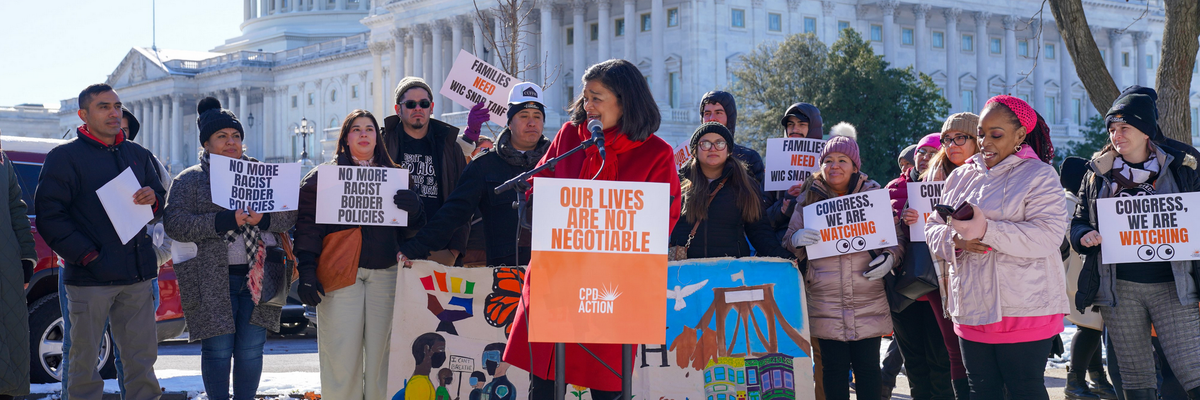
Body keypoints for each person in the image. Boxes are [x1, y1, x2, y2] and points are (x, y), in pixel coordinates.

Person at [503, 58, 682, 399]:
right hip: (559, 280)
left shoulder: (657, 152)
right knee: (544, 387)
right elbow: (539, 182)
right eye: (585, 97)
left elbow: (666, 216)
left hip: (613, 292)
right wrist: (536, 197)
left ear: (624, 100)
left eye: (596, 97)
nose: (588, 106)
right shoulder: (571, 136)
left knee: (607, 387)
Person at [925, 95, 1069, 400]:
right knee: (981, 392)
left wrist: (987, 230)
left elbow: (1048, 235)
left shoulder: (1040, 175)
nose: (985, 141)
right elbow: (932, 227)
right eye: (981, 133)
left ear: (1020, 135)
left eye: (996, 134)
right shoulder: (961, 176)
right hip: (971, 306)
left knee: (1024, 390)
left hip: (1024, 307)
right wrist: (957, 241)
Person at [35, 83, 165, 400]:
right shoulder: (64, 157)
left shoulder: (139, 155)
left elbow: (159, 200)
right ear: (84, 115)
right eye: (104, 106)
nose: (114, 113)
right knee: (82, 363)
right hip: (89, 278)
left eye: (117, 106)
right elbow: (50, 216)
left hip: (137, 276)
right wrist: (89, 256)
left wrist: (155, 199)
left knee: (141, 363)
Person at [162, 97, 298, 400]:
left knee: (251, 349)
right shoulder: (190, 179)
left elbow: (289, 216)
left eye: (235, 136)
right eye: (221, 137)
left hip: (262, 276)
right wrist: (224, 220)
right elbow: (175, 223)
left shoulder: (262, 173)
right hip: (210, 277)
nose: (230, 142)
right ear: (207, 144)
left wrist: (263, 219)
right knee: (217, 350)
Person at [1070, 86, 1200, 400]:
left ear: (1145, 131)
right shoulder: (1097, 172)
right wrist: (1083, 236)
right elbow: (1078, 220)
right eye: (1112, 129)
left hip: (1174, 286)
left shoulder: (1183, 167)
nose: (1116, 135)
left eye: (1125, 127)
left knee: (1192, 369)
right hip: (1119, 289)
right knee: (1134, 376)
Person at [295, 109, 425, 400]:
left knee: (384, 358)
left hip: (386, 274)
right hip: (341, 275)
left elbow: (414, 232)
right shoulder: (321, 179)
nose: (364, 134)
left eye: (370, 129)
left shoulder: (396, 177)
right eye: (357, 129)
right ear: (345, 138)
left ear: (378, 138)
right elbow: (307, 229)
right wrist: (306, 271)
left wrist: (415, 210)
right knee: (340, 356)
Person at [783, 123, 903, 400]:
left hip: (868, 298)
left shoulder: (873, 195)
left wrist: (890, 258)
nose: (834, 166)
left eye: (841, 160)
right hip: (825, 300)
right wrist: (797, 239)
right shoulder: (808, 198)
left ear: (854, 166)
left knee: (869, 369)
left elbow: (896, 239)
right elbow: (789, 240)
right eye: (827, 161)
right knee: (833, 370)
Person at [399, 83, 552, 268]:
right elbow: (452, 214)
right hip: (503, 275)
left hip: (550, 270)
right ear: (509, 121)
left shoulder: (557, 164)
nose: (531, 122)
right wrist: (412, 250)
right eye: (523, 115)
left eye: (537, 116)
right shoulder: (485, 165)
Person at [901, 112, 980, 400]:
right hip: (940, 271)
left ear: (977, 139)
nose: (952, 144)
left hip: (982, 267)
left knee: (982, 345)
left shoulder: (990, 173)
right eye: (947, 138)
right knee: (953, 345)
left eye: (961, 137)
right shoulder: (930, 178)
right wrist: (908, 218)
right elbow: (923, 223)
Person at [885, 132, 954, 400]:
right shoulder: (893, 187)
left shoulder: (953, 185)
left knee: (942, 361)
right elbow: (881, 233)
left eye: (932, 152)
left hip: (939, 288)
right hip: (904, 288)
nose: (925, 158)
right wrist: (900, 221)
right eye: (921, 152)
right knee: (913, 362)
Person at [670, 122, 794, 260]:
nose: (712, 148)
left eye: (720, 143)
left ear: (728, 150)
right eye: (705, 144)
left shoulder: (745, 185)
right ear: (694, 151)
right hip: (685, 272)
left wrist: (785, 258)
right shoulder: (676, 183)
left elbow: (759, 232)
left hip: (731, 274)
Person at [384, 77, 471, 266]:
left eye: (423, 104)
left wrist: (454, 251)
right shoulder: (383, 144)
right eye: (410, 104)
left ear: (431, 108)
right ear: (398, 109)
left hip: (440, 250)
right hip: (394, 249)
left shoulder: (450, 147)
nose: (418, 108)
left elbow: (465, 200)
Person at [1058, 156, 1116, 400]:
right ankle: (1075, 382)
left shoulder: (1066, 200)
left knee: (1091, 325)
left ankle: (1096, 378)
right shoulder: (1068, 203)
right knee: (1090, 327)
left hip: (1079, 273)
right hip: (1078, 274)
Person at [0, 128, 37, 400]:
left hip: (7, 264)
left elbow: (16, 208)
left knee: (11, 338)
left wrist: (26, 257)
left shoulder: (2, 160)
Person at [766, 102, 825, 238]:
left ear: (813, 128)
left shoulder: (828, 165)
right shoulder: (773, 164)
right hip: (781, 243)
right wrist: (782, 208)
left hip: (819, 241)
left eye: (802, 124)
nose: (794, 129)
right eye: (790, 124)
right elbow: (759, 219)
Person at [698, 91, 765, 185]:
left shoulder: (750, 158)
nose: (712, 118)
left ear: (729, 117)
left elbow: (761, 197)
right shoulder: (693, 159)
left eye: (718, 112)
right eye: (707, 113)